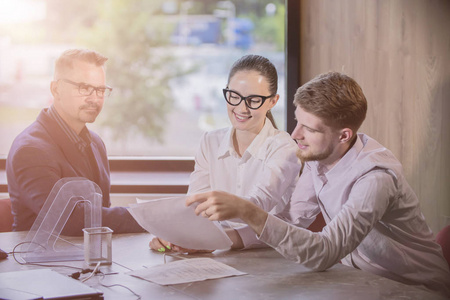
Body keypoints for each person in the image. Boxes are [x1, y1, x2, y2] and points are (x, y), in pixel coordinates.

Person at [187, 72, 450, 297]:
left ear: (344, 135)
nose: (294, 135)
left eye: (309, 129)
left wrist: (246, 210)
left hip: (416, 290)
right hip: (363, 283)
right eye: (297, 121)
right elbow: (290, 221)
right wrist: (218, 240)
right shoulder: (318, 158)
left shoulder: (375, 179)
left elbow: (325, 252)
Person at [149, 54, 301, 252]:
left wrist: (214, 239)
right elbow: (195, 207)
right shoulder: (210, 142)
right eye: (234, 96)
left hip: (270, 256)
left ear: (273, 101)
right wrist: (172, 235)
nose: (241, 108)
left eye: (253, 100)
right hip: (219, 252)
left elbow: (259, 205)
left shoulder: (284, 148)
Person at [6, 49, 145, 236]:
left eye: (100, 90)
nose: (94, 98)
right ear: (56, 89)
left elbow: (99, 216)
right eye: (84, 88)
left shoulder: (95, 143)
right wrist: (146, 216)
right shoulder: (30, 149)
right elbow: (68, 220)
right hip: (40, 261)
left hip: (90, 257)